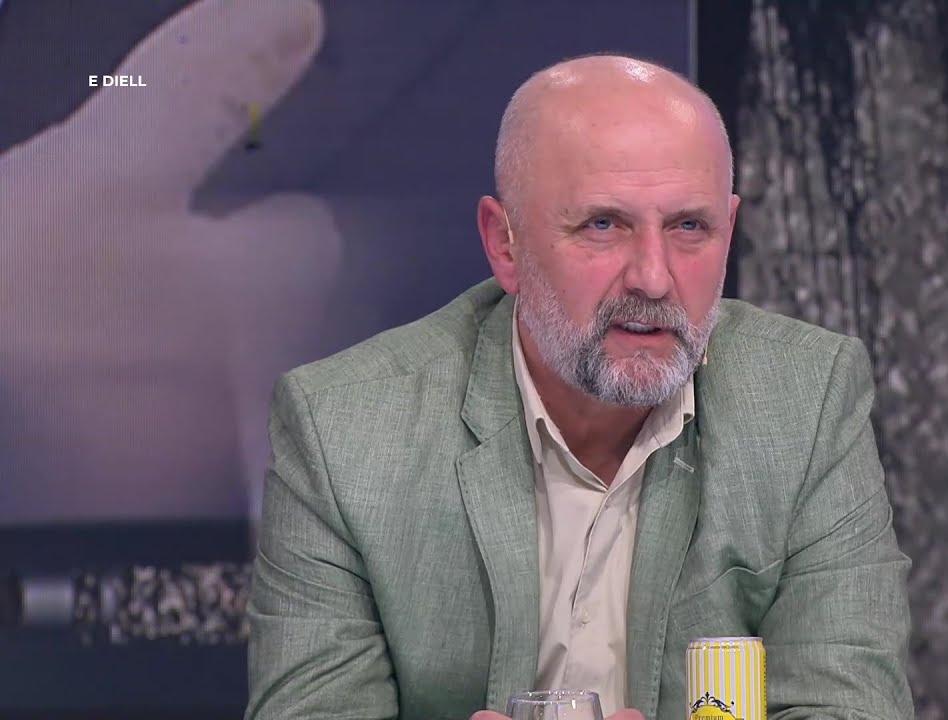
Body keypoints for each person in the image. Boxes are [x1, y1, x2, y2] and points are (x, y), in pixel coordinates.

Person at [245, 54, 914, 720]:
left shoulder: (808, 399)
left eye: (689, 227)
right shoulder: (343, 431)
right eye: (603, 225)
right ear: (504, 244)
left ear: (729, 230)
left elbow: (850, 705)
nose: (653, 278)